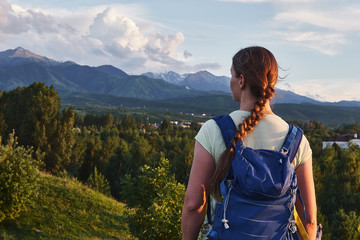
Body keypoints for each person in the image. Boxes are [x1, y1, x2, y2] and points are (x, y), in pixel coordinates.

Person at [181, 46, 317, 240]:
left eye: (231, 75)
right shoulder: (297, 140)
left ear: (242, 80)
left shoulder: (213, 130)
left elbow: (194, 205)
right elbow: (309, 218)